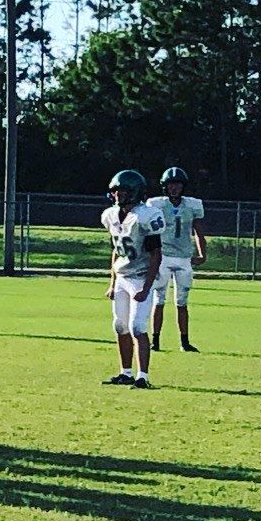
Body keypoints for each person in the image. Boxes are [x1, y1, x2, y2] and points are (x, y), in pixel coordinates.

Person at [101, 169, 163, 389]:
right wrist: (112, 282)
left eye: (123, 190)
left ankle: (143, 376)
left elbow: (156, 254)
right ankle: (125, 372)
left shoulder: (145, 215)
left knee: (138, 327)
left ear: (134, 192)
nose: (118, 194)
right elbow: (116, 250)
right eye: (116, 190)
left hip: (140, 277)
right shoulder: (110, 215)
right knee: (120, 326)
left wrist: (147, 287)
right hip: (122, 277)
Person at [148, 166, 206, 353]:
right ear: (165, 187)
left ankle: (184, 341)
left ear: (183, 186)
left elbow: (198, 230)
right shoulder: (156, 204)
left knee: (182, 301)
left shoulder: (192, 205)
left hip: (183, 257)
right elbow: (149, 231)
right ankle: (155, 340)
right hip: (163, 256)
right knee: (159, 299)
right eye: (171, 185)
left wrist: (202, 253)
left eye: (178, 185)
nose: (174, 189)